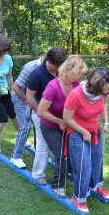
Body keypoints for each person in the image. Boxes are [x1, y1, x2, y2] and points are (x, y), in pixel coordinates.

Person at [63, 67, 109, 214]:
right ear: (94, 87)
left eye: (107, 90)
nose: (105, 93)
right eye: (103, 90)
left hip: (94, 131)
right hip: (77, 132)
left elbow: (103, 105)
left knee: (98, 161)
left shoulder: (101, 94)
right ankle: (78, 198)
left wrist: (105, 123)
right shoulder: (76, 95)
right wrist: (84, 131)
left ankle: (96, 186)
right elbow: (67, 118)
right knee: (84, 166)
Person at [37, 55, 87, 197]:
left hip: (67, 124)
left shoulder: (76, 84)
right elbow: (41, 111)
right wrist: (59, 121)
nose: (79, 77)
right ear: (70, 71)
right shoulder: (53, 86)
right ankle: (57, 185)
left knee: (72, 151)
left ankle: (68, 171)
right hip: (50, 125)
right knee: (62, 155)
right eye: (79, 73)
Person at [25, 47, 67, 184]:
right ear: (49, 61)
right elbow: (29, 97)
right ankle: (38, 174)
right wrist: (40, 112)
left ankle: (62, 167)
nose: (58, 69)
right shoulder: (37, 74)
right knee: (43, 145)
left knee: (59, 142)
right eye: (56, 66)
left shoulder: (61, 70)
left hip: (59, 114)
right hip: (40, 113)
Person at [10, 56, 44, 168]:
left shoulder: (46, 69)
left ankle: (31, 146)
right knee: (25, 126)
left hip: (31, 98)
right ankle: (15, 157)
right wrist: (27, 100)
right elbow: (15, 87)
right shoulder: (31, 67)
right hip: (19, 97)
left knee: (37, 124)